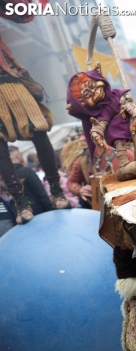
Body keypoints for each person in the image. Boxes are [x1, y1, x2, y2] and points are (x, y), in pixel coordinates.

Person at [0, 32, 70, 224]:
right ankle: (21, 201)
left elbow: (20, 12)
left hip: (12, 83)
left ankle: (56, 190)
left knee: (39, 131)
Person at [8, 146, 53, 218]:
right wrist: (51, 211)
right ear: (17, 156)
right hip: (39, 213)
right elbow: (41, 194)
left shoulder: (6, 178)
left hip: (20, 217)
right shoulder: (26, 172)